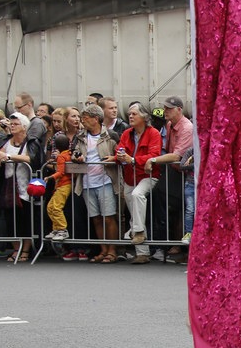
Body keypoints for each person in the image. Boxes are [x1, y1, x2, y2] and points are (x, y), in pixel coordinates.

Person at [146, 95, 195, 263]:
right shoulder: (169, 125)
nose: (165, 111)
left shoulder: (187, 128)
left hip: (185, 174)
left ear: (179, 110)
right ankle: (176, 245)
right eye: (165, 108)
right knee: (174, 209)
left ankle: (185, 249)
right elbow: (168, 151)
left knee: (186, 211)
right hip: (173, 172)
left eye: (169, 108)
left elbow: (177, 155)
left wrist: (153, 160)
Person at [70, 104, 122, 263]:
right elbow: (73, 153)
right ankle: (103, 250)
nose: (82, 121)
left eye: (85, 118)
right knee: (96, 218)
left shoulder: (111, 135)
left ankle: (112, 250)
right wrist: (76, 158)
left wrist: (114, 158)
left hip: (105, 180)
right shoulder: (80, 136)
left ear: (96, 119)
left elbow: (121, 152)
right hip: (86, 182)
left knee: (108, 217)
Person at [115, 102, 161, 264]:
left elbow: (154, 154)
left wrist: (133, 160)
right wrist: (119, 157)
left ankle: (138, 231)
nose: (130, 116)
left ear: (144, 116)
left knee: (137, 195)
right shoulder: (126, 133)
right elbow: (119, 151)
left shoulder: (153, 133)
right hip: (130, 177)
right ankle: (142, 253)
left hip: (148, 176)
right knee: (136, 213)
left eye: (134, 114)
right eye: (129, 114)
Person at [0, 112, 39, 263]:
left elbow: (31, 158)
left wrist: (9, 157)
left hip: (25, 186)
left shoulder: (31, 142)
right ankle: (16, 249)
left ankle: (25, 250)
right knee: (10, 220)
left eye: (15, 124)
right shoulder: (6, 141)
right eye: (11, 124)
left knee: (25, 220)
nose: (12, 126)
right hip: (9, 185)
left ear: (24, 127)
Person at [43, 134, 73, 242]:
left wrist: (50, 177)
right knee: (50, 207)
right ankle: (55, 229)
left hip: (63, 185)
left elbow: (60, 172)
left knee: (56, 207)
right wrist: (54, 161)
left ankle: (62, 229)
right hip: (63, 185)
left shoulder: (62, 156)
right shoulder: (67, 154)